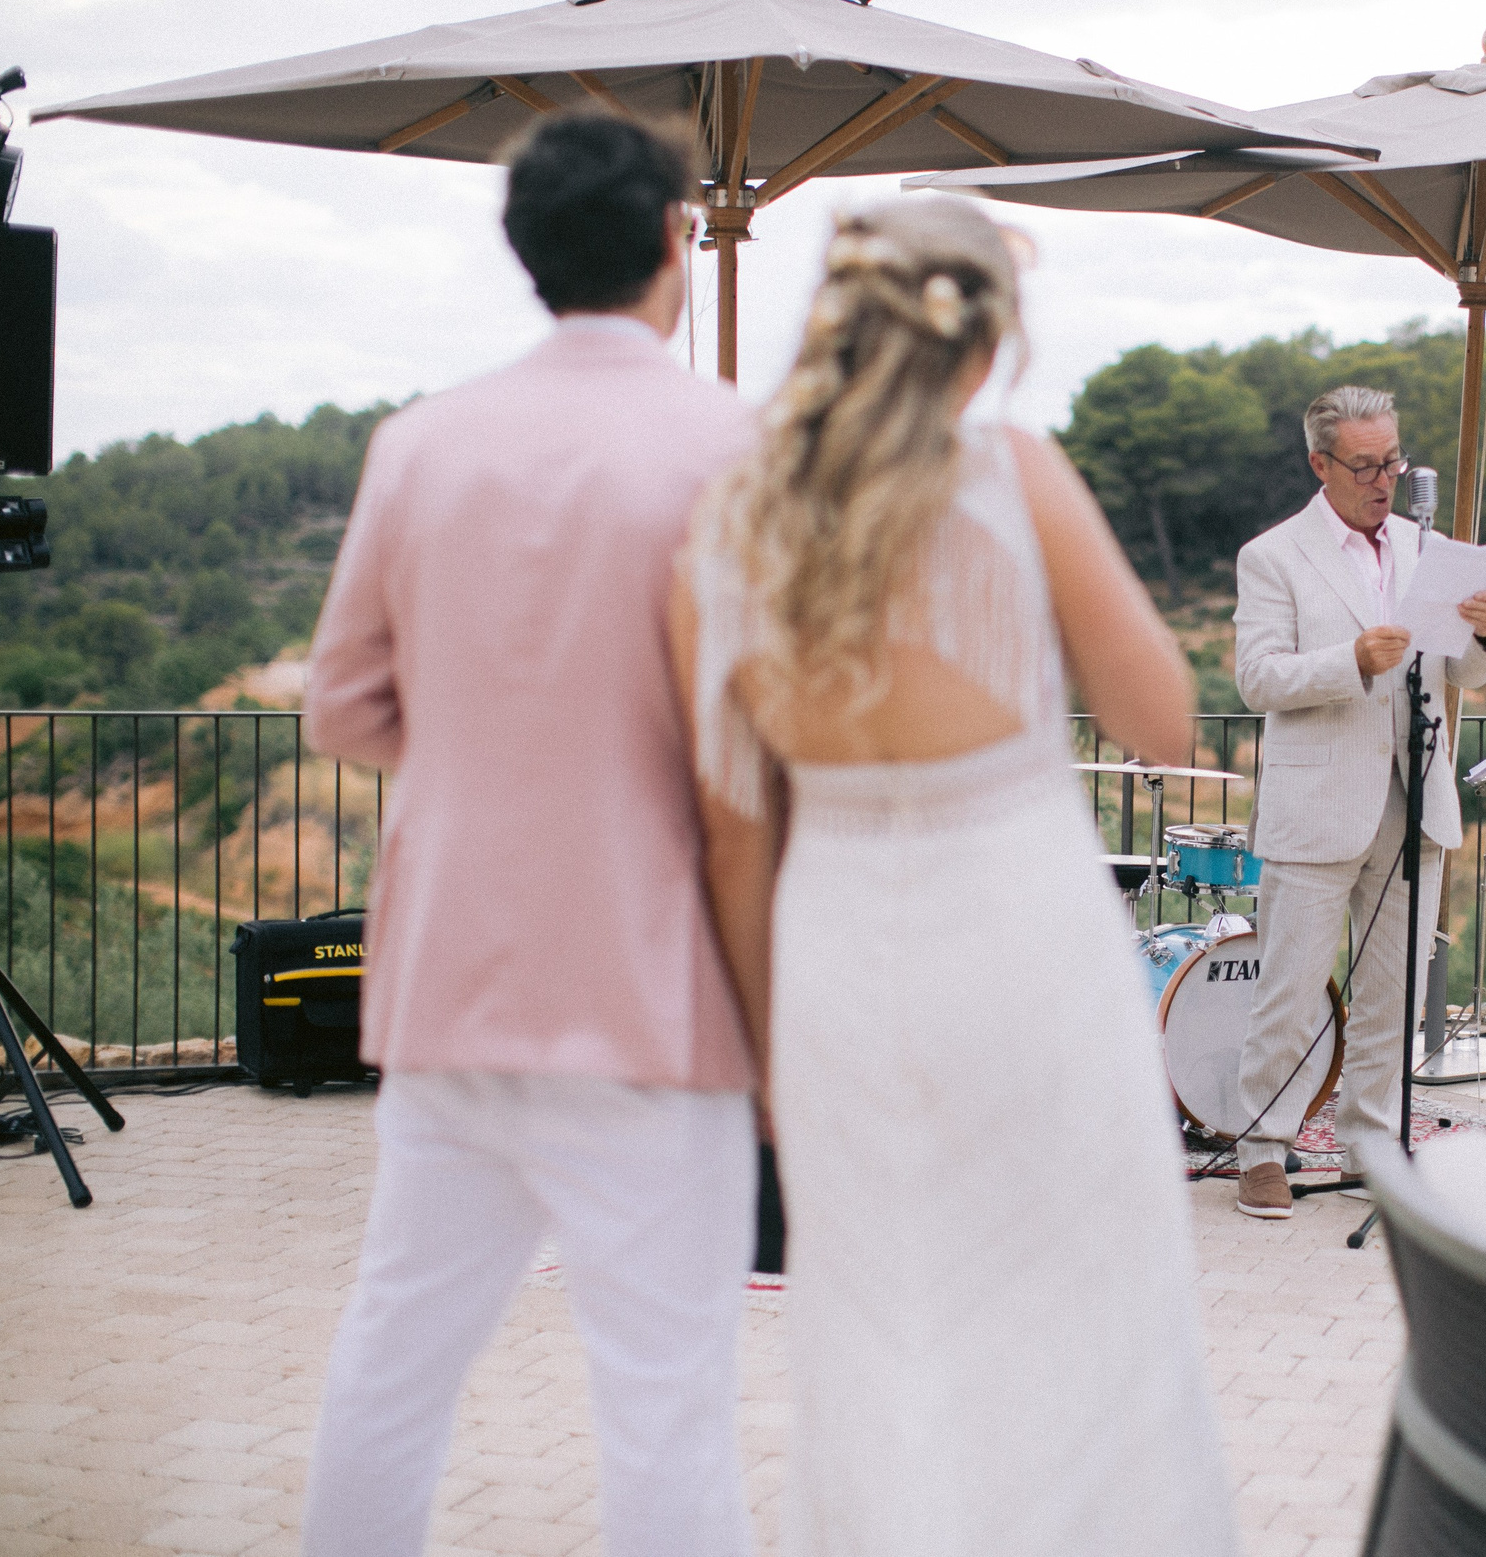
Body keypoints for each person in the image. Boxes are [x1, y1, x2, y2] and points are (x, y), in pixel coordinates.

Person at [671, 195, 1236, 1556]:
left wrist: (765, 1055)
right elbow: (1161, 720)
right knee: (1083, 1304)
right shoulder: (1013, 473)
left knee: (878, 1326)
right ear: (986, 340)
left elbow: (735, 833)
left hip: (834, 956)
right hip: (1021, 935)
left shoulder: (727, 522)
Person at [299, 114, 761, 1557]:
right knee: (667, 1403)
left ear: (526, 251)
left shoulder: (420, 442)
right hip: (656, 992)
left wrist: (490, 748)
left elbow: (340, 709)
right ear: (675, 237)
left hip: (449, 981)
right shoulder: (738, 444)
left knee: (392, 1363)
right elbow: (778, 732)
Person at [1228, 386, 1486, 1220]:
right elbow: (1256, 678)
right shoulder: (1273, 555)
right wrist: (1349, 659)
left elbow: (1464, 671)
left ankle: (1372, 1145)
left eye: (1393, 460)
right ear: (1320, 464)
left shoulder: (1431, 550)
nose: (1385, 478)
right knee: (1292, 988)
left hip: (1414, 796)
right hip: (1318, 803)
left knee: (1394, 991)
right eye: (1365, 465)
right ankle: (1262, 1147)